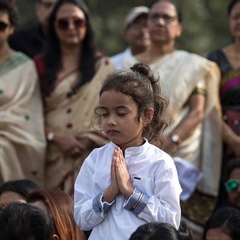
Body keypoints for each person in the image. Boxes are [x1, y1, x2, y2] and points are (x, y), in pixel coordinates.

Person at [123, 0, 222, 229]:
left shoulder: (192, 64)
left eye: (167, 18)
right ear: (147, 24)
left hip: (178, 155)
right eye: (154, 16)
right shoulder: (128, 66)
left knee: (171, 223)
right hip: (134, 154)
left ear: (179, 28)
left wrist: (170, 142)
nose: (159, 21)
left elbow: (197, 111)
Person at [74, 63, 182, 240]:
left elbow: (170, 221)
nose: (110, 121)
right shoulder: (95, 159)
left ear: (146, 115)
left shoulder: (159, 162)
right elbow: (81, 219)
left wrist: (130, 192)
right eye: (104, 114)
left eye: (121, 113)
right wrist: (109, 193)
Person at [34, 0, 115, 194]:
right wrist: (56, 136)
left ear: (86, 25)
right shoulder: (38, 66)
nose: (71, 28)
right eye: (63, 23)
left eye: (77, 22)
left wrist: (89, 138)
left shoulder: (102, 67)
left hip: (90, 154)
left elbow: (112, 111)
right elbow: (28, 114)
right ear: (54, 27)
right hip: (50, 155)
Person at [0, 0, 46, 186]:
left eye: (1, 25)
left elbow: (27, 118)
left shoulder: (24, 67)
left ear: (11, 29)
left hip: (11, 145)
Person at [207, 0, 240, 213]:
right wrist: (233, 140)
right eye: (236, 16)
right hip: (224, 144)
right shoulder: (215, 60)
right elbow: (210, 107)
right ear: (229, 22)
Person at [111, 6, 150, 70]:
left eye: (147, 25)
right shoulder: (113, 65)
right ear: (126, 32)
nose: (143, 30)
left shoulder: (165, 65)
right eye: (138, 25)